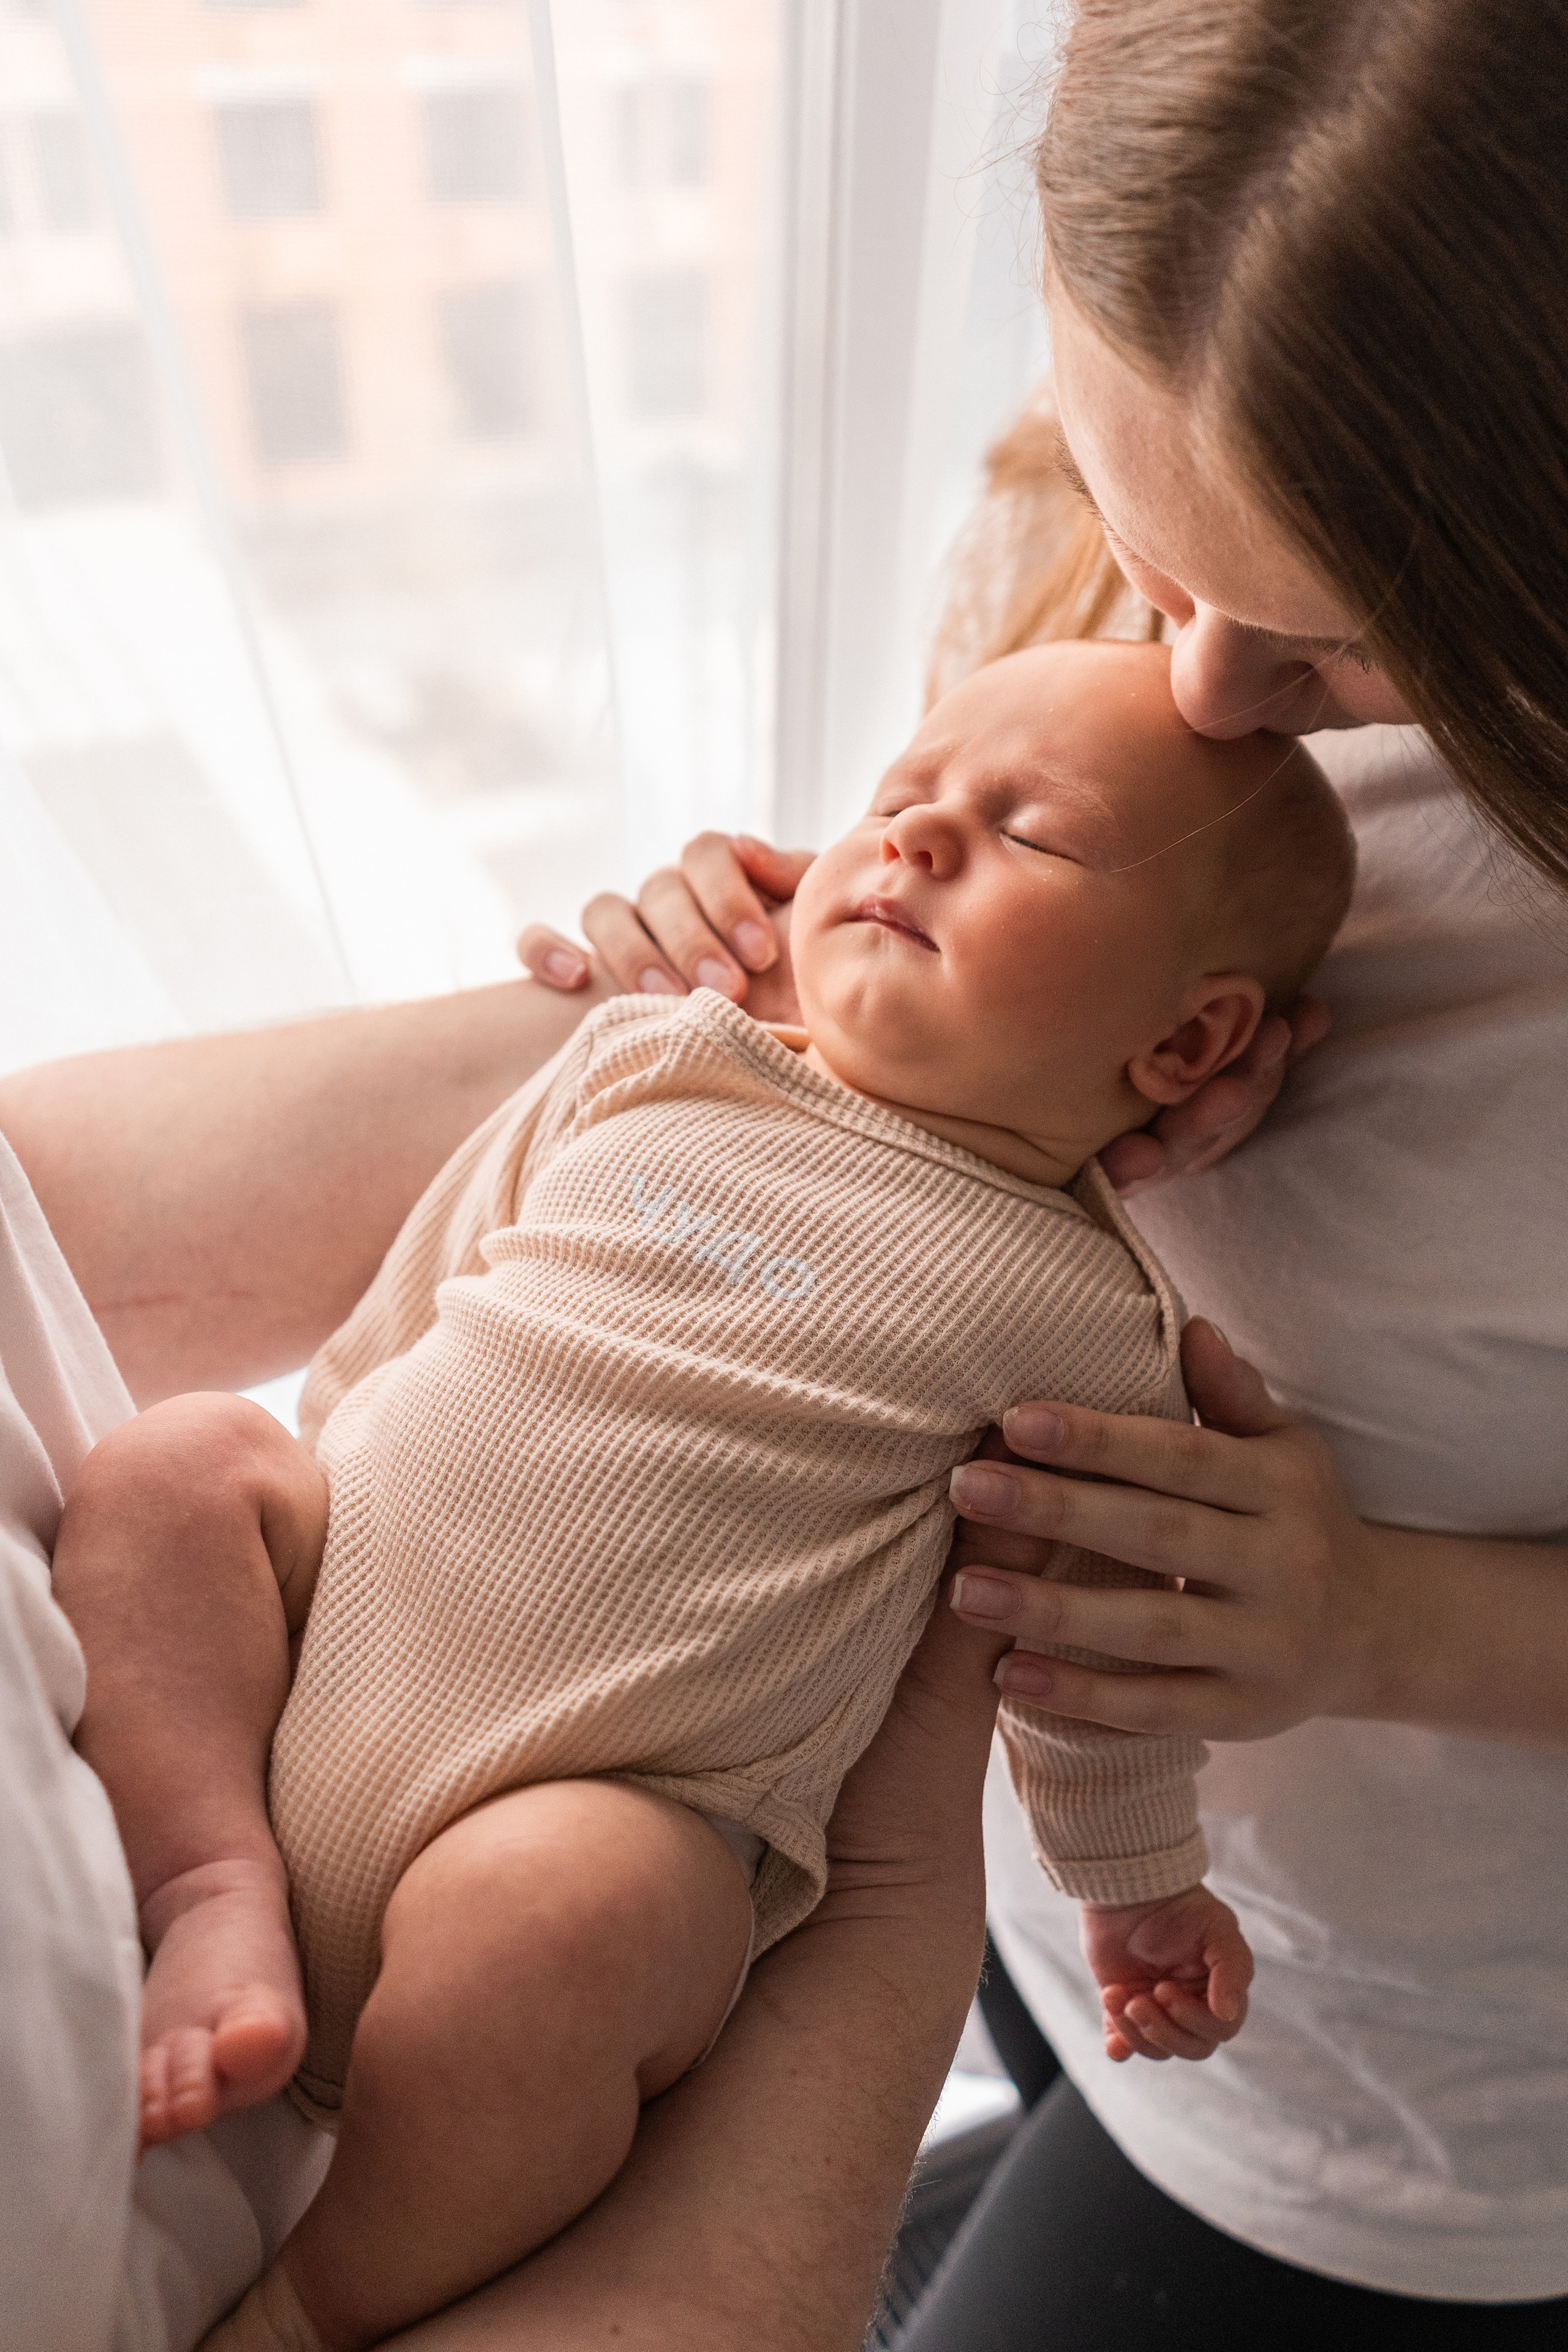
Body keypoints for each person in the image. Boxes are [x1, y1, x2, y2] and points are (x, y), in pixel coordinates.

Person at [515, 1, 1568, 2341]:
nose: (1189, 685)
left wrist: (1388, 1624)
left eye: (1327, 649)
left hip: (1404, 2099)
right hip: (1045, 1878)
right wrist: (791, 979)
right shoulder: (1224, 452)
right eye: (1135, 530)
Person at [54, 641, 1353, 2351]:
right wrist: (305, 1502)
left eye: (1024, 835)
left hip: (579, 1810)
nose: (913, 842)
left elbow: (1082, 1644)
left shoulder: (1087, 1315)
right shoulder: (655, 1061)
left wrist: (1137, 1885)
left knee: (576, 1919)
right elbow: (420, 1293)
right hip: (325, 1637)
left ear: (1188, 1038)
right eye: (901, 800)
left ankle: (325, 2290)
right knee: (179, 1462)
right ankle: (208, 1883)